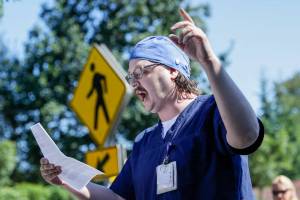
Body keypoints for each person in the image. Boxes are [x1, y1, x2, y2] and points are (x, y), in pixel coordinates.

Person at [40, 8, 264, 199]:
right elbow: (118, 196)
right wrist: (66, 178)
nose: (134, 84)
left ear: (172, 71)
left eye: (141, 72)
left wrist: (208, 61)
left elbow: (247, 136)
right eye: (131, 77)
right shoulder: (144, 142)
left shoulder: (213, 111)